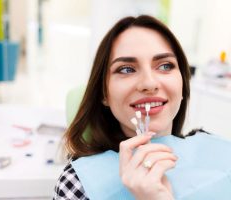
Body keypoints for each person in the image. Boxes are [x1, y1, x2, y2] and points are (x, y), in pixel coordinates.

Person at [53, 14, 190, 199]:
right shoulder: (77, 184)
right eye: (126, 69)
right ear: (104, 93)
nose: (149, 83)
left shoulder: (214, 153)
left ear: (182, 82)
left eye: (165, 66)